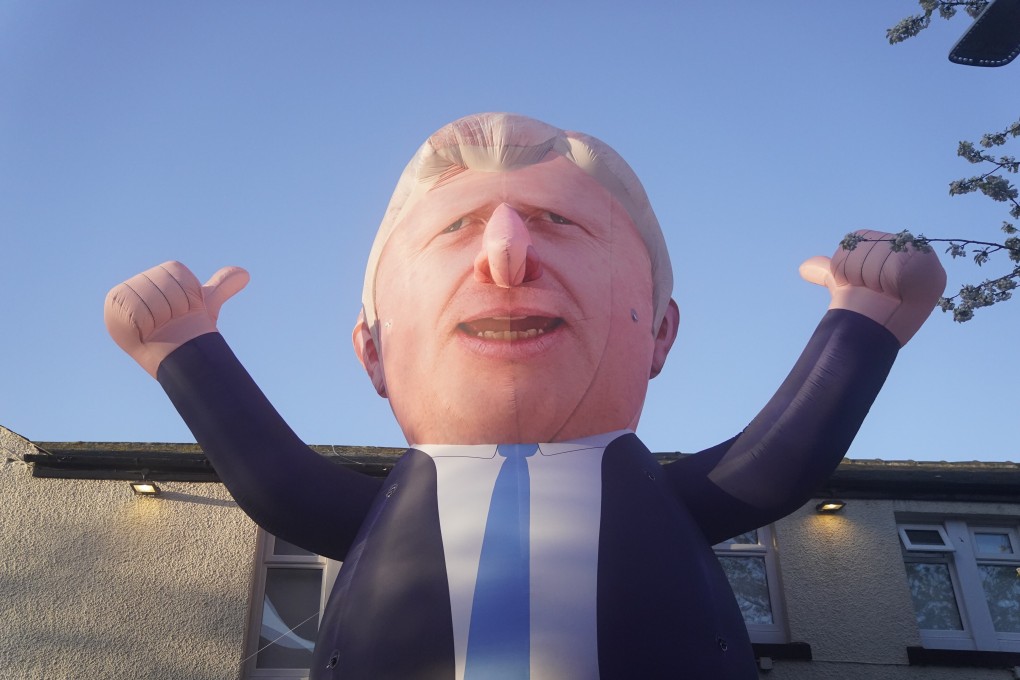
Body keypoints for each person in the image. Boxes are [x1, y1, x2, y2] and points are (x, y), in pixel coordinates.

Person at [105, 112, 946, 679]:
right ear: (373, 353)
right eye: (457, 228)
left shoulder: (659, 495)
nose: (505, 257)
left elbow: (778, 466)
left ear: (659, 335)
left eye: (558, 223)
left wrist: (867, 322)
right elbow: (277, 483)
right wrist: (184, 351)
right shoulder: (399, 501)